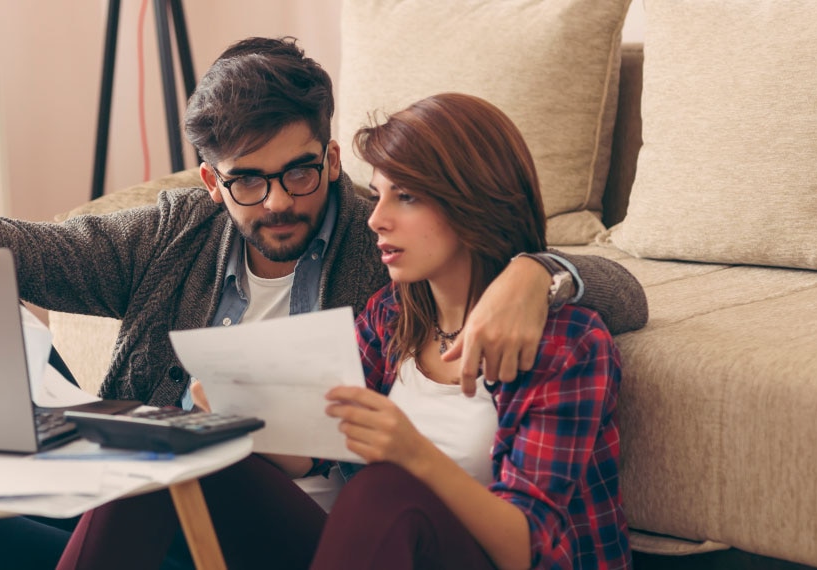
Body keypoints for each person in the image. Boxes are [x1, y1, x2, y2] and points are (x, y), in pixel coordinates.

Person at [0, 37, 644, 570]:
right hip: (172, 526)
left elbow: (616, 288)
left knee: (381, 492)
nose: (280, 199)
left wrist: (538, 272)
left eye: (301, 172)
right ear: (212, 182)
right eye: (248, 179)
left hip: (342, 539)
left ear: (328, 158)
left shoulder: (386, 260)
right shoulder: (388, 313)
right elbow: (44, 249)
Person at [54, 92, 631, 569]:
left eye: (406, 197)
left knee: (384, 489)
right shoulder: (390, 318)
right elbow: (317, 460)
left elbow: (532, 549)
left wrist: (410, 454)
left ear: (473, 201)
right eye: (378, 196)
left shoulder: (566, 343)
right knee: (166, 452)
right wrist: (237, 417)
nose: (376, 218)